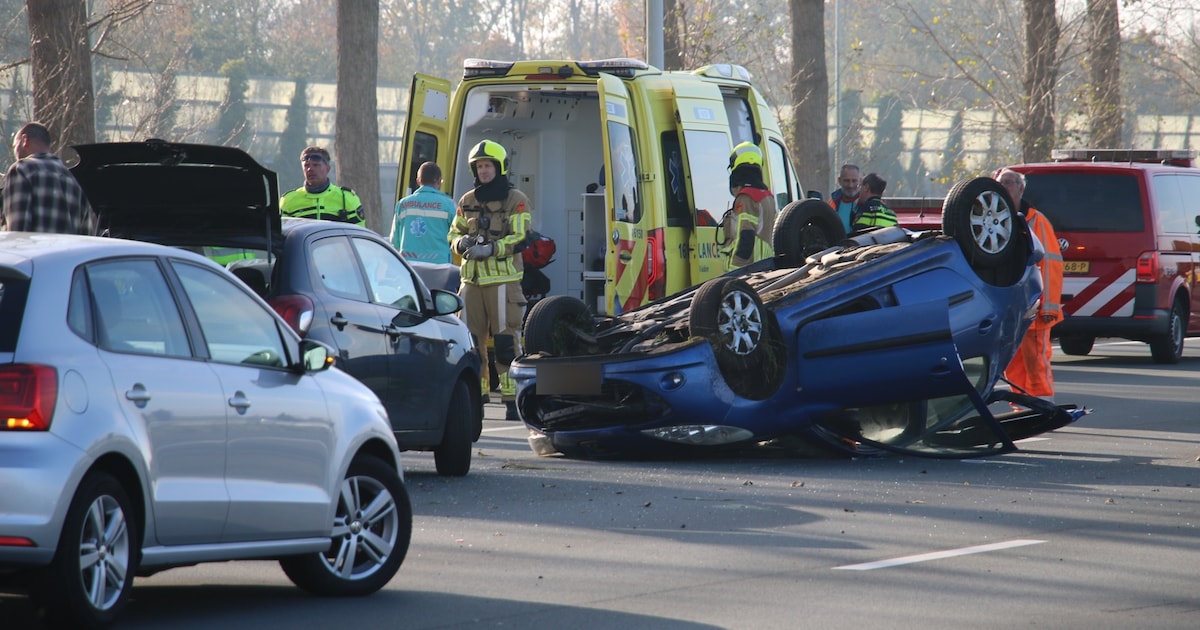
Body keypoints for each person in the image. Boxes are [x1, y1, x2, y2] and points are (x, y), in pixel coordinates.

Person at [448, 140, 531, 420]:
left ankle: (511, 401)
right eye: (479, 166)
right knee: (472, 344)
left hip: (503, 283)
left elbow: (520, 236)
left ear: (499, 167)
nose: (483, 171)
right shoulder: (467, 200)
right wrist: (461, 244)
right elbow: (453, 234)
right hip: (470, 284)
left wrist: (492, 248)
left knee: (506, 343)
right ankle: (477, 397)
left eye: (488, 165)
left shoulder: (516, 199)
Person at [996, 167, 1064, 402]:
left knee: (1035, 358)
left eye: (1008, 183)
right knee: (1012, 361)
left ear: (1020, 188)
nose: (1003, 187)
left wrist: (1049, 307)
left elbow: (1051, 265)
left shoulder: (1036, 221)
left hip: (1034, 304)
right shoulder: (997, 219)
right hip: (1010, 305)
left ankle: (1043, 400)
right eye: (1000, 183)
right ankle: (1021, 404)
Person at [1, 121, 93, 234]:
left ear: (25, 140)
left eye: (15, 145)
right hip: (68, 251)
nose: (15, 151)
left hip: (34, 250)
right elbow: (87, 235)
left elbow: (17, 231)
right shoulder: (72, 180)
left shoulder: (21, 170)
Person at [723, 141, 777, 270]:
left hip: (750, 269)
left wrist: (733, 272)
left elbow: (745, 237)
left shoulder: (747, 197)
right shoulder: (767, 195)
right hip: (765, 265)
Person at [279, 146, 365, 226]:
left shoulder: (347, 199)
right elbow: (280, 236)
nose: (310, 169)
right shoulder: (288, 201)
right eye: (306, 165)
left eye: (316, 165)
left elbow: (360, 236)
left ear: (328, 168)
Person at [391, 161, 455, 263]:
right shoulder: (449, 205)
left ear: (418, 181)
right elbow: (456, 238)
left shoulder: (403, 205)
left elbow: (395, 242)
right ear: (439, 181)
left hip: (410, 266)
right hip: (440, 266)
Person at [828, 163, 862, 232]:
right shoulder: (831, 203)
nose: (850, 185)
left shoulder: (865, 202)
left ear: (860, 181)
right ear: (839, 181)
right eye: (847, 181)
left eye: (854, 181)